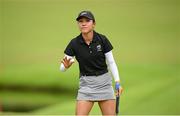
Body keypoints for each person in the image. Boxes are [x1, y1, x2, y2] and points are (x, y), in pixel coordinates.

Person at [59, 11, 123, 115]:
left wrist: (117, 82)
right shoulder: (74, 43)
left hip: (104, 83)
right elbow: (62, 67)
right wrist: (65, 67)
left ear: (93, 24)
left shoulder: (102, 39)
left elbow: (111, 62)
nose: (83, 23)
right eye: (80, 21)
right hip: (86, 85)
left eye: (87, 21)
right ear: (78, 24)